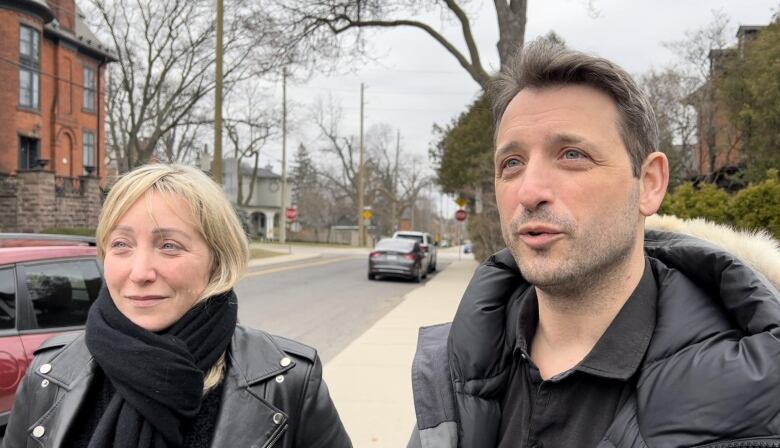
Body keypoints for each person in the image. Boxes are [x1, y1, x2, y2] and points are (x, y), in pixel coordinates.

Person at [408, 40, 780, 448]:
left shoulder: (757, 393)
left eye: (571, 154)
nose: (529, 191)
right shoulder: (455, 368)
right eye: (511, 163)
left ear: (650, 184)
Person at [2, 164, 352, 448]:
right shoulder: (50, 375)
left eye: (169, 245)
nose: (139, 273)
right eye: (121, 244)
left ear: (217, 260)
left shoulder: (286, 383)